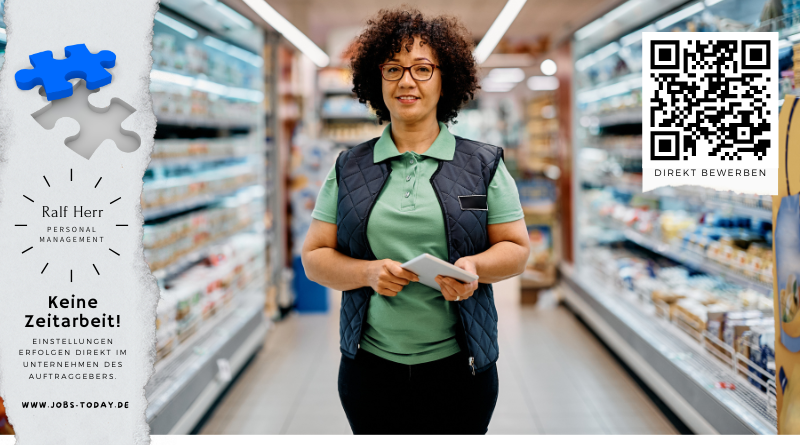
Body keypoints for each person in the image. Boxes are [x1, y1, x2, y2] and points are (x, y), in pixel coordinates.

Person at [301, 7, 530, 435]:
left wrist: (476, 268)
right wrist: (366, 272)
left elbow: (517, 251)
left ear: (446, 79)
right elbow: (314, 258)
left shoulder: (483, 164)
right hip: (370, 370)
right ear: (377, 79)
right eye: (393, 68)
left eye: (423, 68)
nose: (407, 81)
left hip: (462, 370)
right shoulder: (348, 167)